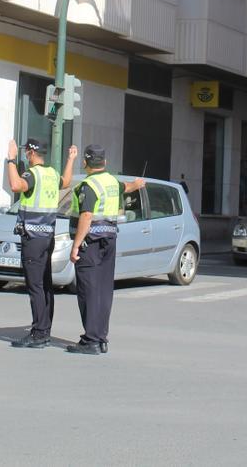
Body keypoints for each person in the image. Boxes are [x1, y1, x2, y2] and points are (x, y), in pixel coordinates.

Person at [67, 145, 144, 355]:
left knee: (88, 290)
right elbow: (125, 187)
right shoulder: (111, 181)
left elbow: (86, 216)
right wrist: (137, 184)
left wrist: (75, 246)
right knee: (103, 290)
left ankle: (90, 340)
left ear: (85, 162)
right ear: (105, 162)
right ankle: (101, 337)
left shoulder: (88, 185)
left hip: (90, 243)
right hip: (109, 240)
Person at [7, 138, 76, 349]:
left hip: (33, 238)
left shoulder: (32, 174)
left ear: (29, 153)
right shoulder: (51, 173)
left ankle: (39, 334)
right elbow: (65, 182)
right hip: (47, 237)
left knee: (35, 285)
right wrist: (70, 159)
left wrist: (10, 160)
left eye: (25, 153)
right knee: (45, 285)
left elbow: (16, 185)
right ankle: (44, 329)